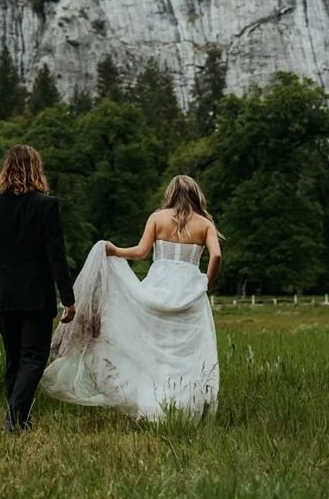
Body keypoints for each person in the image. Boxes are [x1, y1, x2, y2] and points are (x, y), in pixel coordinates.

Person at [41, 174, 221, 421]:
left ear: (170, 194)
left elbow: (140, 253)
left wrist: (115, 251)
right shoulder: (205, 224)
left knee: (154, 349)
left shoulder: (157, 218)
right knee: (187, 352)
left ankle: (154, 403)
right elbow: (217, 256)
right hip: (190, 292)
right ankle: (185, 407)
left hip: (159, 288)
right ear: (195, 195)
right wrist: (206, 283)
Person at [0, 143, 76, 433]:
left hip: (2, 296)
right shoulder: (46, 206)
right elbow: (56, 256)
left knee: (15, 359)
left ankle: (20, 420)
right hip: (35, 296)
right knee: (33, 358)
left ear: (6, 168)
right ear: (36, 169)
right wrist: (68, 298)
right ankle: (14, 421)